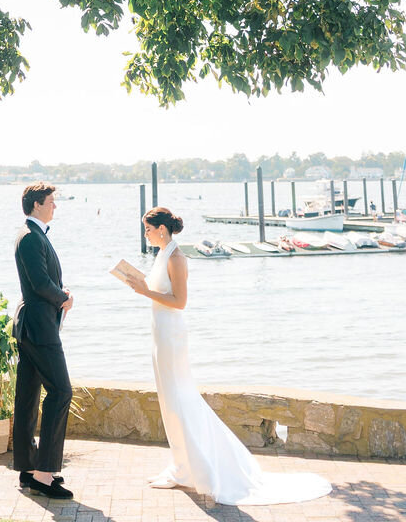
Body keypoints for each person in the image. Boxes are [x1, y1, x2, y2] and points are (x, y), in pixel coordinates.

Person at [122, 205, 332, 505]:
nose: (146, 234)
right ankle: (181, 467)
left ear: (162, 230)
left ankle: (199, 468)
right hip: (159, 331)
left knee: (181, 399)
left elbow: (179, 301)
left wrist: (144, 292)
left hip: (172, 333)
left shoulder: (178, 258)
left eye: (148, 229)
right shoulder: (161, 254)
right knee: (169, 401)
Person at [12, 183, 74, 499]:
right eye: (51, 201)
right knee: (61, 392)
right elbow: (39, 283)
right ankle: (44, 474)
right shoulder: (29, 238)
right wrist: (64, 296)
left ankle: (28, 469)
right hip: (39, 328)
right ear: (37, 204)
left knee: (28, 396)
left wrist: (60, 296)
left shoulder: (35, 236)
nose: (55, 206)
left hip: (35, 326)